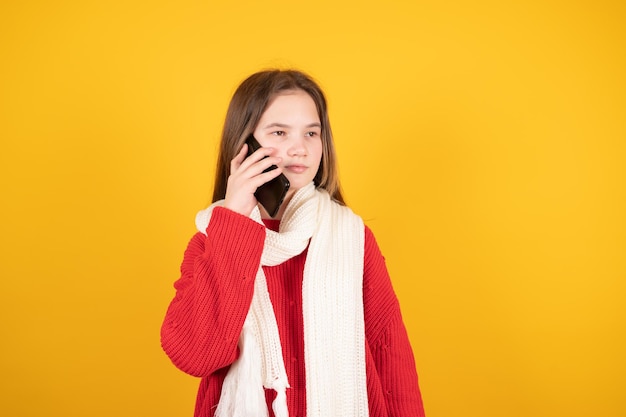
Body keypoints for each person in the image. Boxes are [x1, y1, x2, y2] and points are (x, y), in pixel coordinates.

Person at [160, 69, 426, 417]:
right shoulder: (213, 239)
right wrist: (236, 218)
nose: (299, 148)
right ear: (245, 145)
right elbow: (196, 354)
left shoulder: (352, 237)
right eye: (279, 132)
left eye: (311, 133)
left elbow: (389, 355)